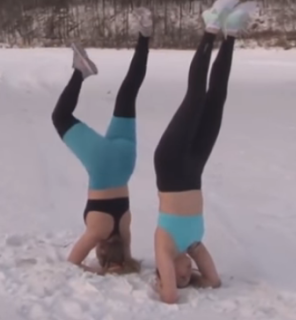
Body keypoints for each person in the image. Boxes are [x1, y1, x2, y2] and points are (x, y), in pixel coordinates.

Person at [152, 0, 257, 303]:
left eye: (180, 276)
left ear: (166, 270)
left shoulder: (165, 246)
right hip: (194, 168)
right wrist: (196, 267)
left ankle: (211, 27)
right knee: (216, 100)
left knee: (196, 97)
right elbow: (213, 281)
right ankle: (233, 30)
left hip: (170, 165)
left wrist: (166, 285)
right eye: (188, 278)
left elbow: (170, 296)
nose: (187, 275)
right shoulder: (193, 244)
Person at [51, 8, 153, 275]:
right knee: (60, 117)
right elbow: (73, 262)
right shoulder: (97, 231)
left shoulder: (125, 232)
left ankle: (145, 36)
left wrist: (121, 264)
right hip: (104, 166)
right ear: (102, 252)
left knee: (128, 93)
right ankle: (80, 72)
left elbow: (126, 258)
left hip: (125, 160)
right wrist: (100, 270)